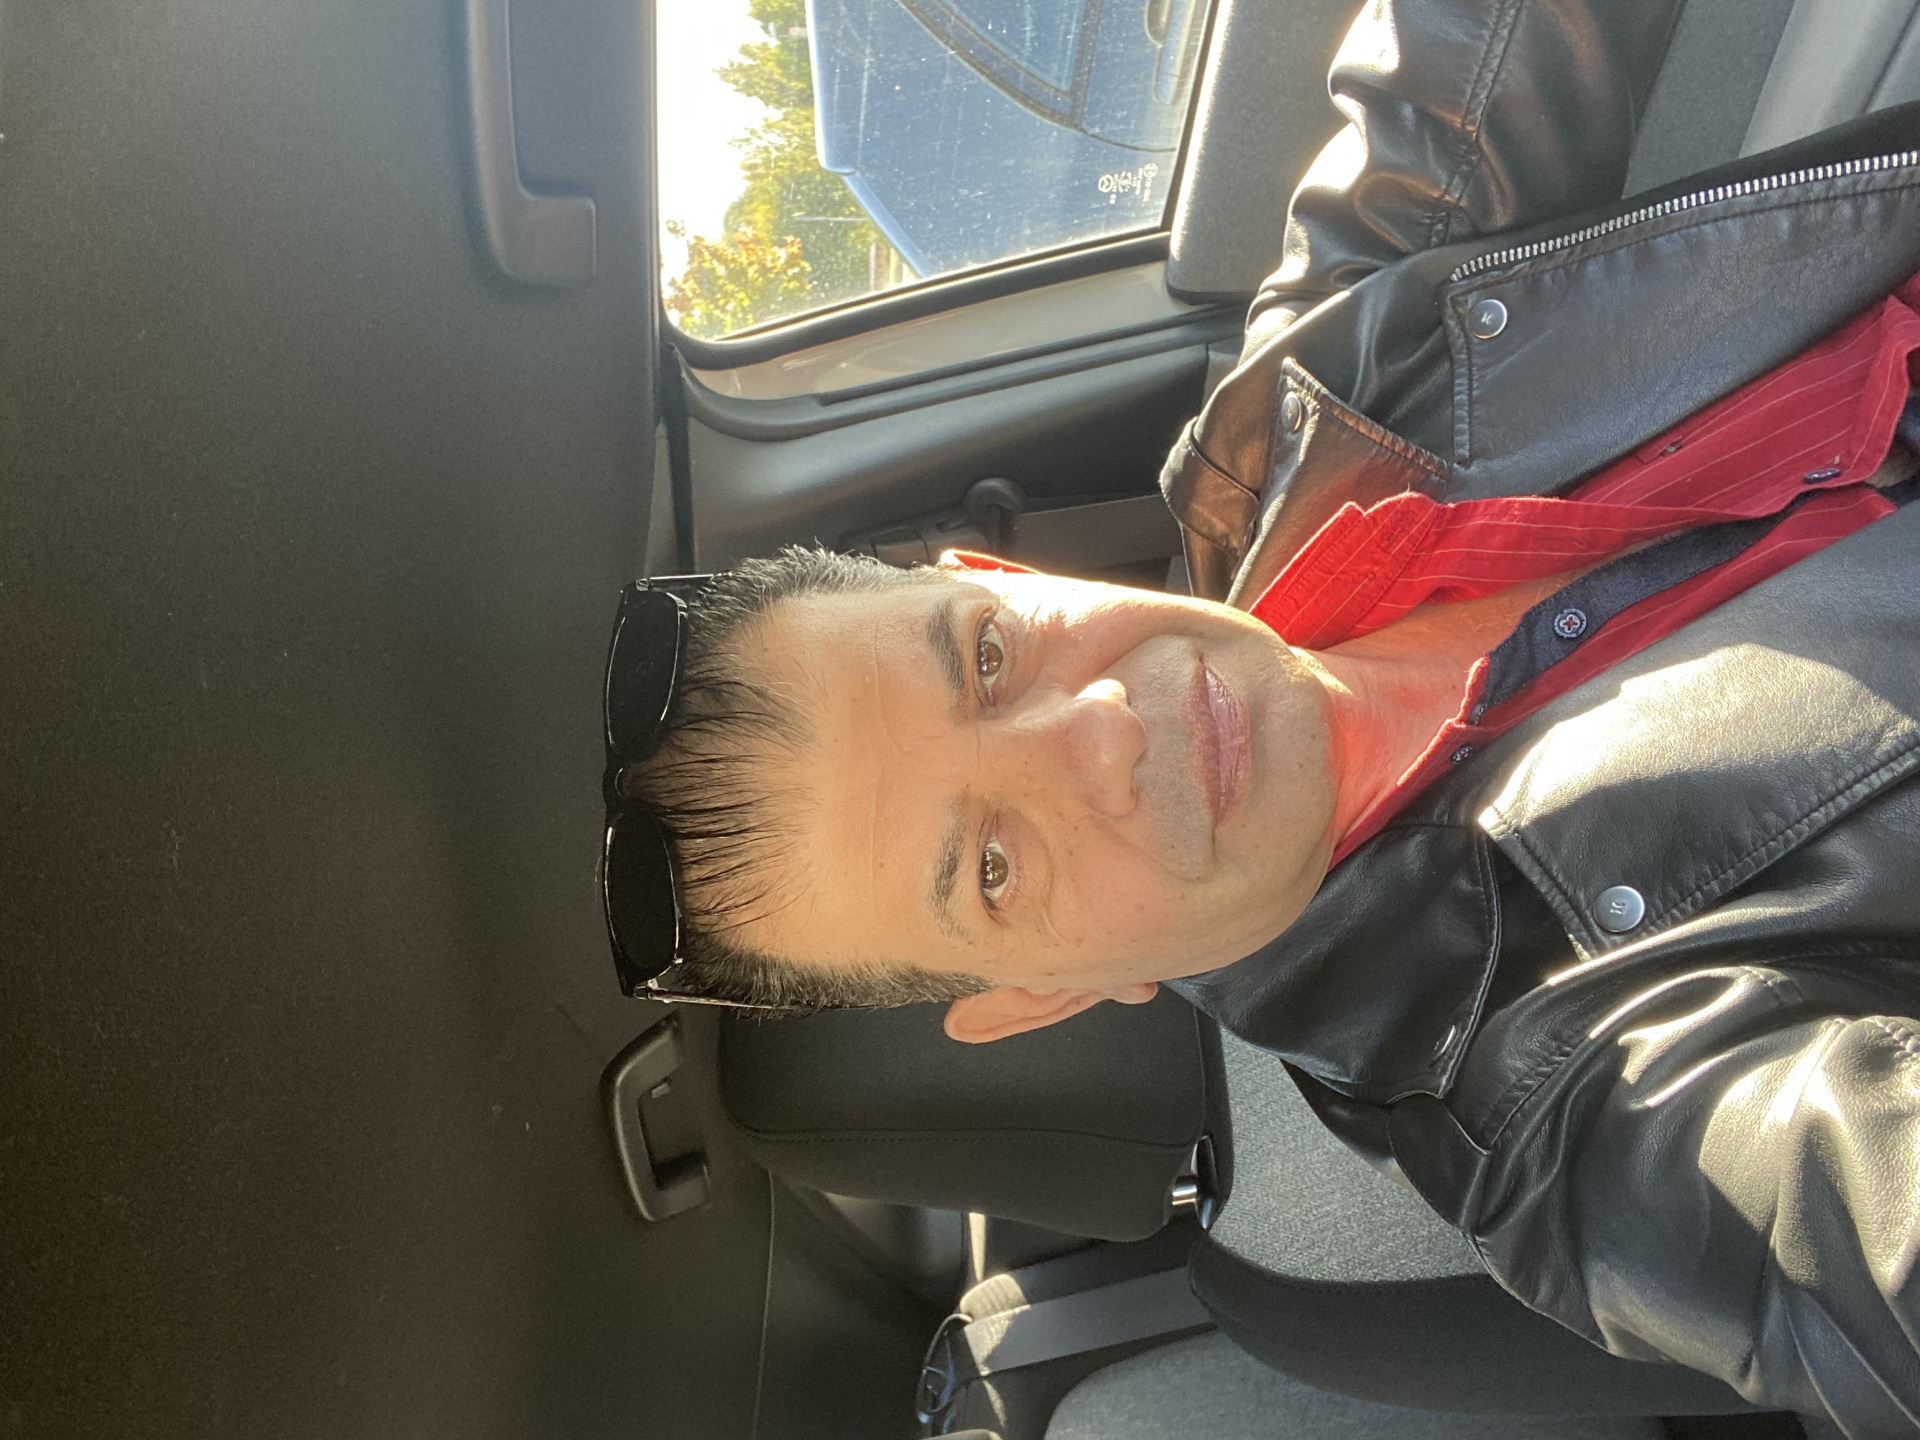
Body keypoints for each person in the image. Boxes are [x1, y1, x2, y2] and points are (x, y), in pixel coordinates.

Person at [602, 2, 1920, 1431]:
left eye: (986, 658)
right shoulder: (1560, 1107)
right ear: (1041, 997)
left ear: (1000, 576)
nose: (1099, 735)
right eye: (989, 865)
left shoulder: (1317, 395)